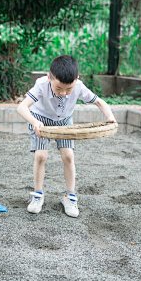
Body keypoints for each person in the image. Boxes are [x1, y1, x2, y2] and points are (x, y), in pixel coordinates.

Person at [17, 55, 116, 218]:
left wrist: (110, 118)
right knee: (41, 156)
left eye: (68, 89)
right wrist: (34, 122)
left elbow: (99, 102)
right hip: (40, 120)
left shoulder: (79, 86)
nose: (63, 93)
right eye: (58, 89)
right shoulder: (42, 84)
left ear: (76, 80)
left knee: (68, 156)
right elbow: (22, 107)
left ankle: (69, 196)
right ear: (50, 77)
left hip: (64, 120)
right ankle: (37, 195)